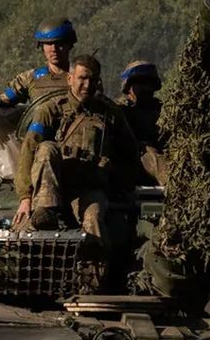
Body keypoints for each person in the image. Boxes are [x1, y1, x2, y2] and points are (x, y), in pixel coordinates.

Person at [13, 55, 139, 241]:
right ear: (70, 78)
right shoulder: (50, 110)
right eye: (82, 78)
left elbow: (129, 151)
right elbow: (29, 149)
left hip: (89, 188)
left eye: (93, 79)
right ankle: (46, 211)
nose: (87, 85)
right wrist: (25, 197)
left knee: (94, 220)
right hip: (54, 186)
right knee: (47, 148)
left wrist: (122, 187)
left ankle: (94, 258)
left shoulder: (110, 114)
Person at [0, 18, 77, 108]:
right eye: (48, 43)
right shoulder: (29, 78)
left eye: (59, 43)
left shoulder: (81, 77)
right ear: (42, 46)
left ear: (69, 44)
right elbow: (4, 101)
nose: (53, 49)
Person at [119, 60, 166, 183]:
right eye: (140, 83)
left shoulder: (162, 110)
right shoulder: (120, 111)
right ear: (128, 87)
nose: (146, 88)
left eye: (149, 83)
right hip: (131, 161)